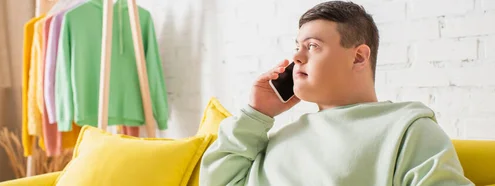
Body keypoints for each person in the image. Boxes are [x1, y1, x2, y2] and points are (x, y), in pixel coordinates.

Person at [199, 1, 474, 186]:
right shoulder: (275, 139)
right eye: (297, 46)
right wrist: (256, 115)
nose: (296, 55)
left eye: (313, 46)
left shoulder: (408, 130)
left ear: (358, 57)